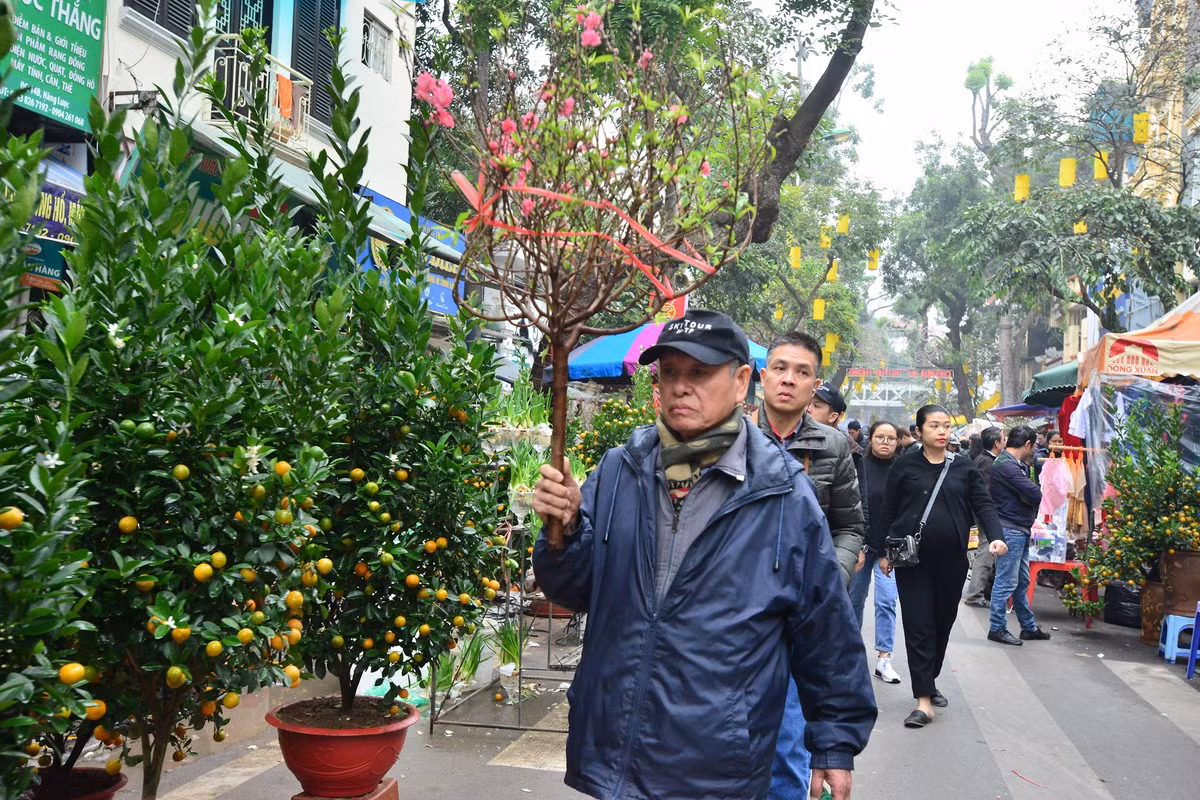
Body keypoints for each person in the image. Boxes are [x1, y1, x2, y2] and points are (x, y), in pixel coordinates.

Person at [532, 310, 876, 800]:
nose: (679, 387)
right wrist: (564, 530)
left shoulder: (782, 495)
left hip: (717, 761)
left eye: (698, 373)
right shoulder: (620, 469)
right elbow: (577, 589)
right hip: (617, 744)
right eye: (669, 373)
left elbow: (824, 629)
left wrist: (833, 745)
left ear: (740, 383)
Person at [756, 334, 866, 800]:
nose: (788, 379)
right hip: (742, 608)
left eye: (801, 372)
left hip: (804, 614)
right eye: (779, 368)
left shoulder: (834, 446)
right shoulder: (731, 437)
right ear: (760, 376)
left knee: (789, 740)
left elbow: (850, 527)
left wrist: (830, 579)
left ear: (815, 385)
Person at [875, 404, 1006, 729]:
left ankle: (929, 679)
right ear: (919, 432)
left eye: (946, 425)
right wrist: (881, 552)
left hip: (951, 562)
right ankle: (922, 701)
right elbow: (887, 510)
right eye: (934, 425)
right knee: (919, 625)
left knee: (942, 625)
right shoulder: (904, 466)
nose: (942, 431)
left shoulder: (963, 467)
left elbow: (984, 504)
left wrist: (997, 537)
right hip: (913, 562)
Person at [848, 421, 902, 685]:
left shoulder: (902, 470)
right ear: (871, 439)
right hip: (859, 547)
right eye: (880, 437)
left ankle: (884, 658)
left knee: (886, 602)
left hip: (888, 552)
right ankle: (849, 655)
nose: (885, 442)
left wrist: (889, 553)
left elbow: (905, 514)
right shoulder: (860, 467)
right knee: (853, 601)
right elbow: (851, 508)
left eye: (891, 438)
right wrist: (856, 545)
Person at [987, 425, 1053, 645]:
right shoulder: (1007, 466)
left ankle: (1028, 626)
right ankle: (997, 628)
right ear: (1027, 444)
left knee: (1021, 581)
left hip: (1020, 528)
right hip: (1010, 529)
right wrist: (1028, 495)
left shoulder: (1016, 465)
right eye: (1033, 446)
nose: (1034, 451)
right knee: (1006, 581)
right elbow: (1035, 493)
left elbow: (1031, 495)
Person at [962, 426, 1004, 608]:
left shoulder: (983, 459)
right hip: (983, 514)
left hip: (977, 513)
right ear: (996, 443)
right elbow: (984, 495)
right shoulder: (988, 462)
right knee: (986, 552)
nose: (1006, 442)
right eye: (1004, 439)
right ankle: (975, 594)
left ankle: (978, 591)